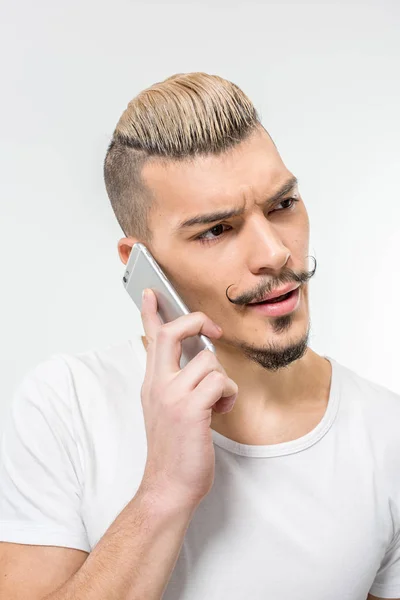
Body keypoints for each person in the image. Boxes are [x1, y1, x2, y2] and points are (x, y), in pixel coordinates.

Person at [0, 72, 399, 600]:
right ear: (140, 262)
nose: (274, 253)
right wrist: (164, 491)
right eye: (216, 229)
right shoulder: (64, 407)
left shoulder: (387, 436)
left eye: (282, 205)